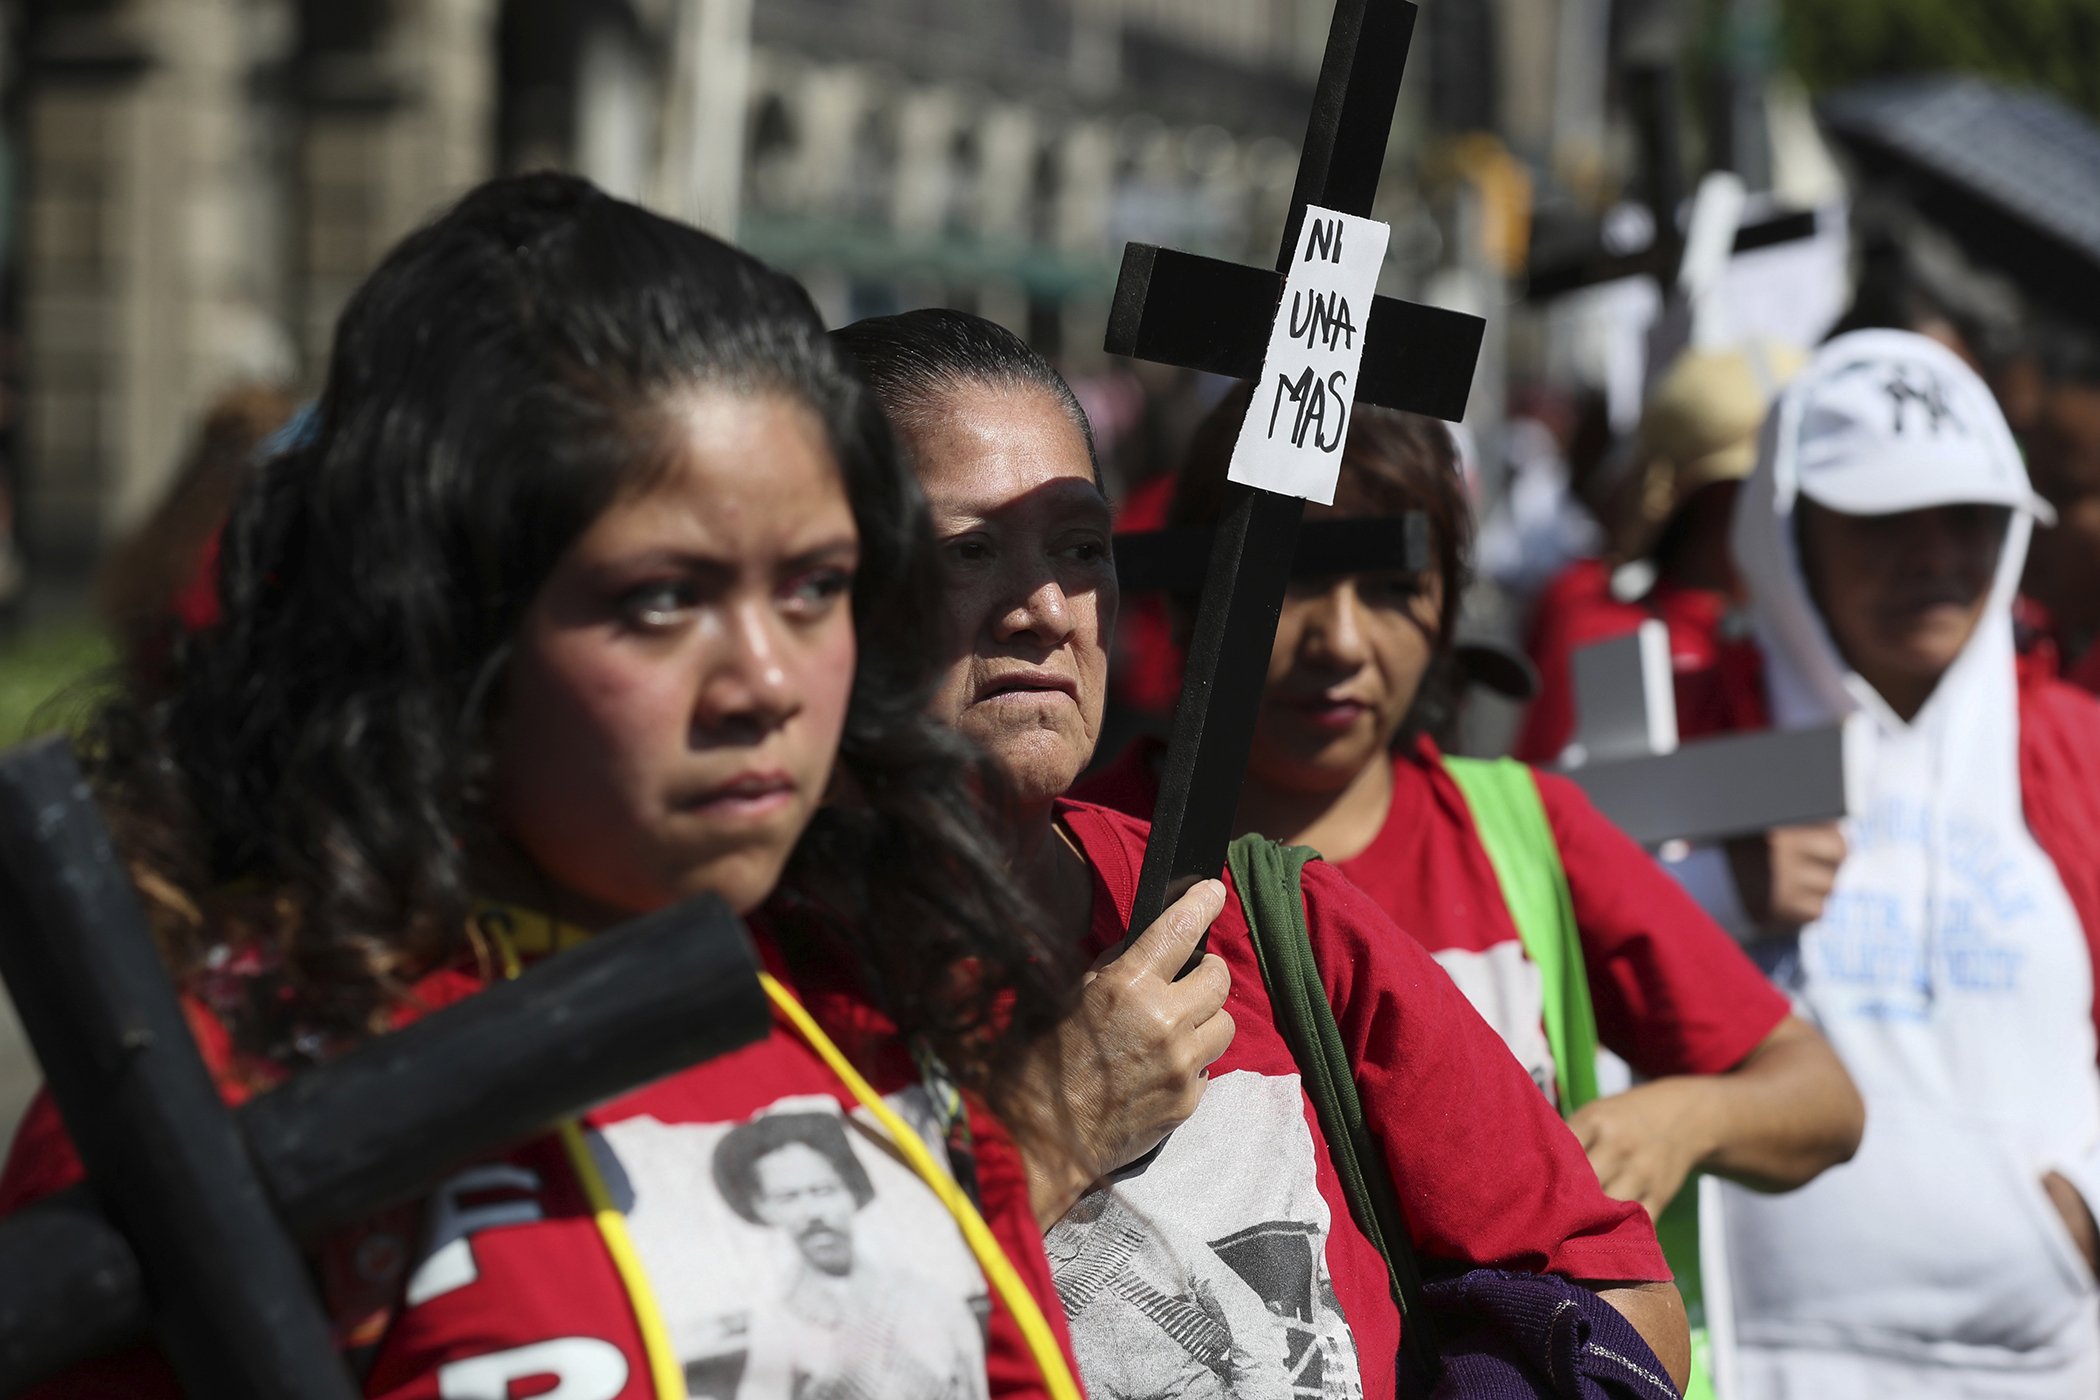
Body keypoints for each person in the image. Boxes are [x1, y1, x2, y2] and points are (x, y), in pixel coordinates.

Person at [0, 174, 1088, 1400]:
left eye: (813, 586)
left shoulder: (879, 1015)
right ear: (448, 619)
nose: (767, 681)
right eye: (662, 598)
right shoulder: (225, 1077)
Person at [835, 308, 1692, 1400]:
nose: (1046, 609)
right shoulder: (737, 986)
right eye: (967, 550)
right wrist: (1044, 1131)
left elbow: (1617, 1298)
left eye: (1080, 549)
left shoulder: (1280, 923)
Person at [1082, 383, 1861, 1220]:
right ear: (1188, 596)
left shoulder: (1526, 832)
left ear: (1449, 608)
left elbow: (1820, 1096)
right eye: (1290, 578)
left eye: (1391, 589)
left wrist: (1680, 1120)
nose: (1341, 642)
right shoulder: (1073, 854)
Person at [1675, 329, 2100, 1397]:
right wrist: (1711, 895)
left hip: (2050, 1364)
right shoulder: (1677, 732)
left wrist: (2086, 1204)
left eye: (1968, 516)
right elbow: (1540, 962)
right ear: (1789, 531)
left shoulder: (2077, 748)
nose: (1934, 553)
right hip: (1753, 1364)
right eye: (1882, 517)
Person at [1514, 344, 1803, 763]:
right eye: (1762, 486)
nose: (1792, 512)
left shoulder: (1824, 637)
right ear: (1698, 500)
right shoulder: (1601, 628)